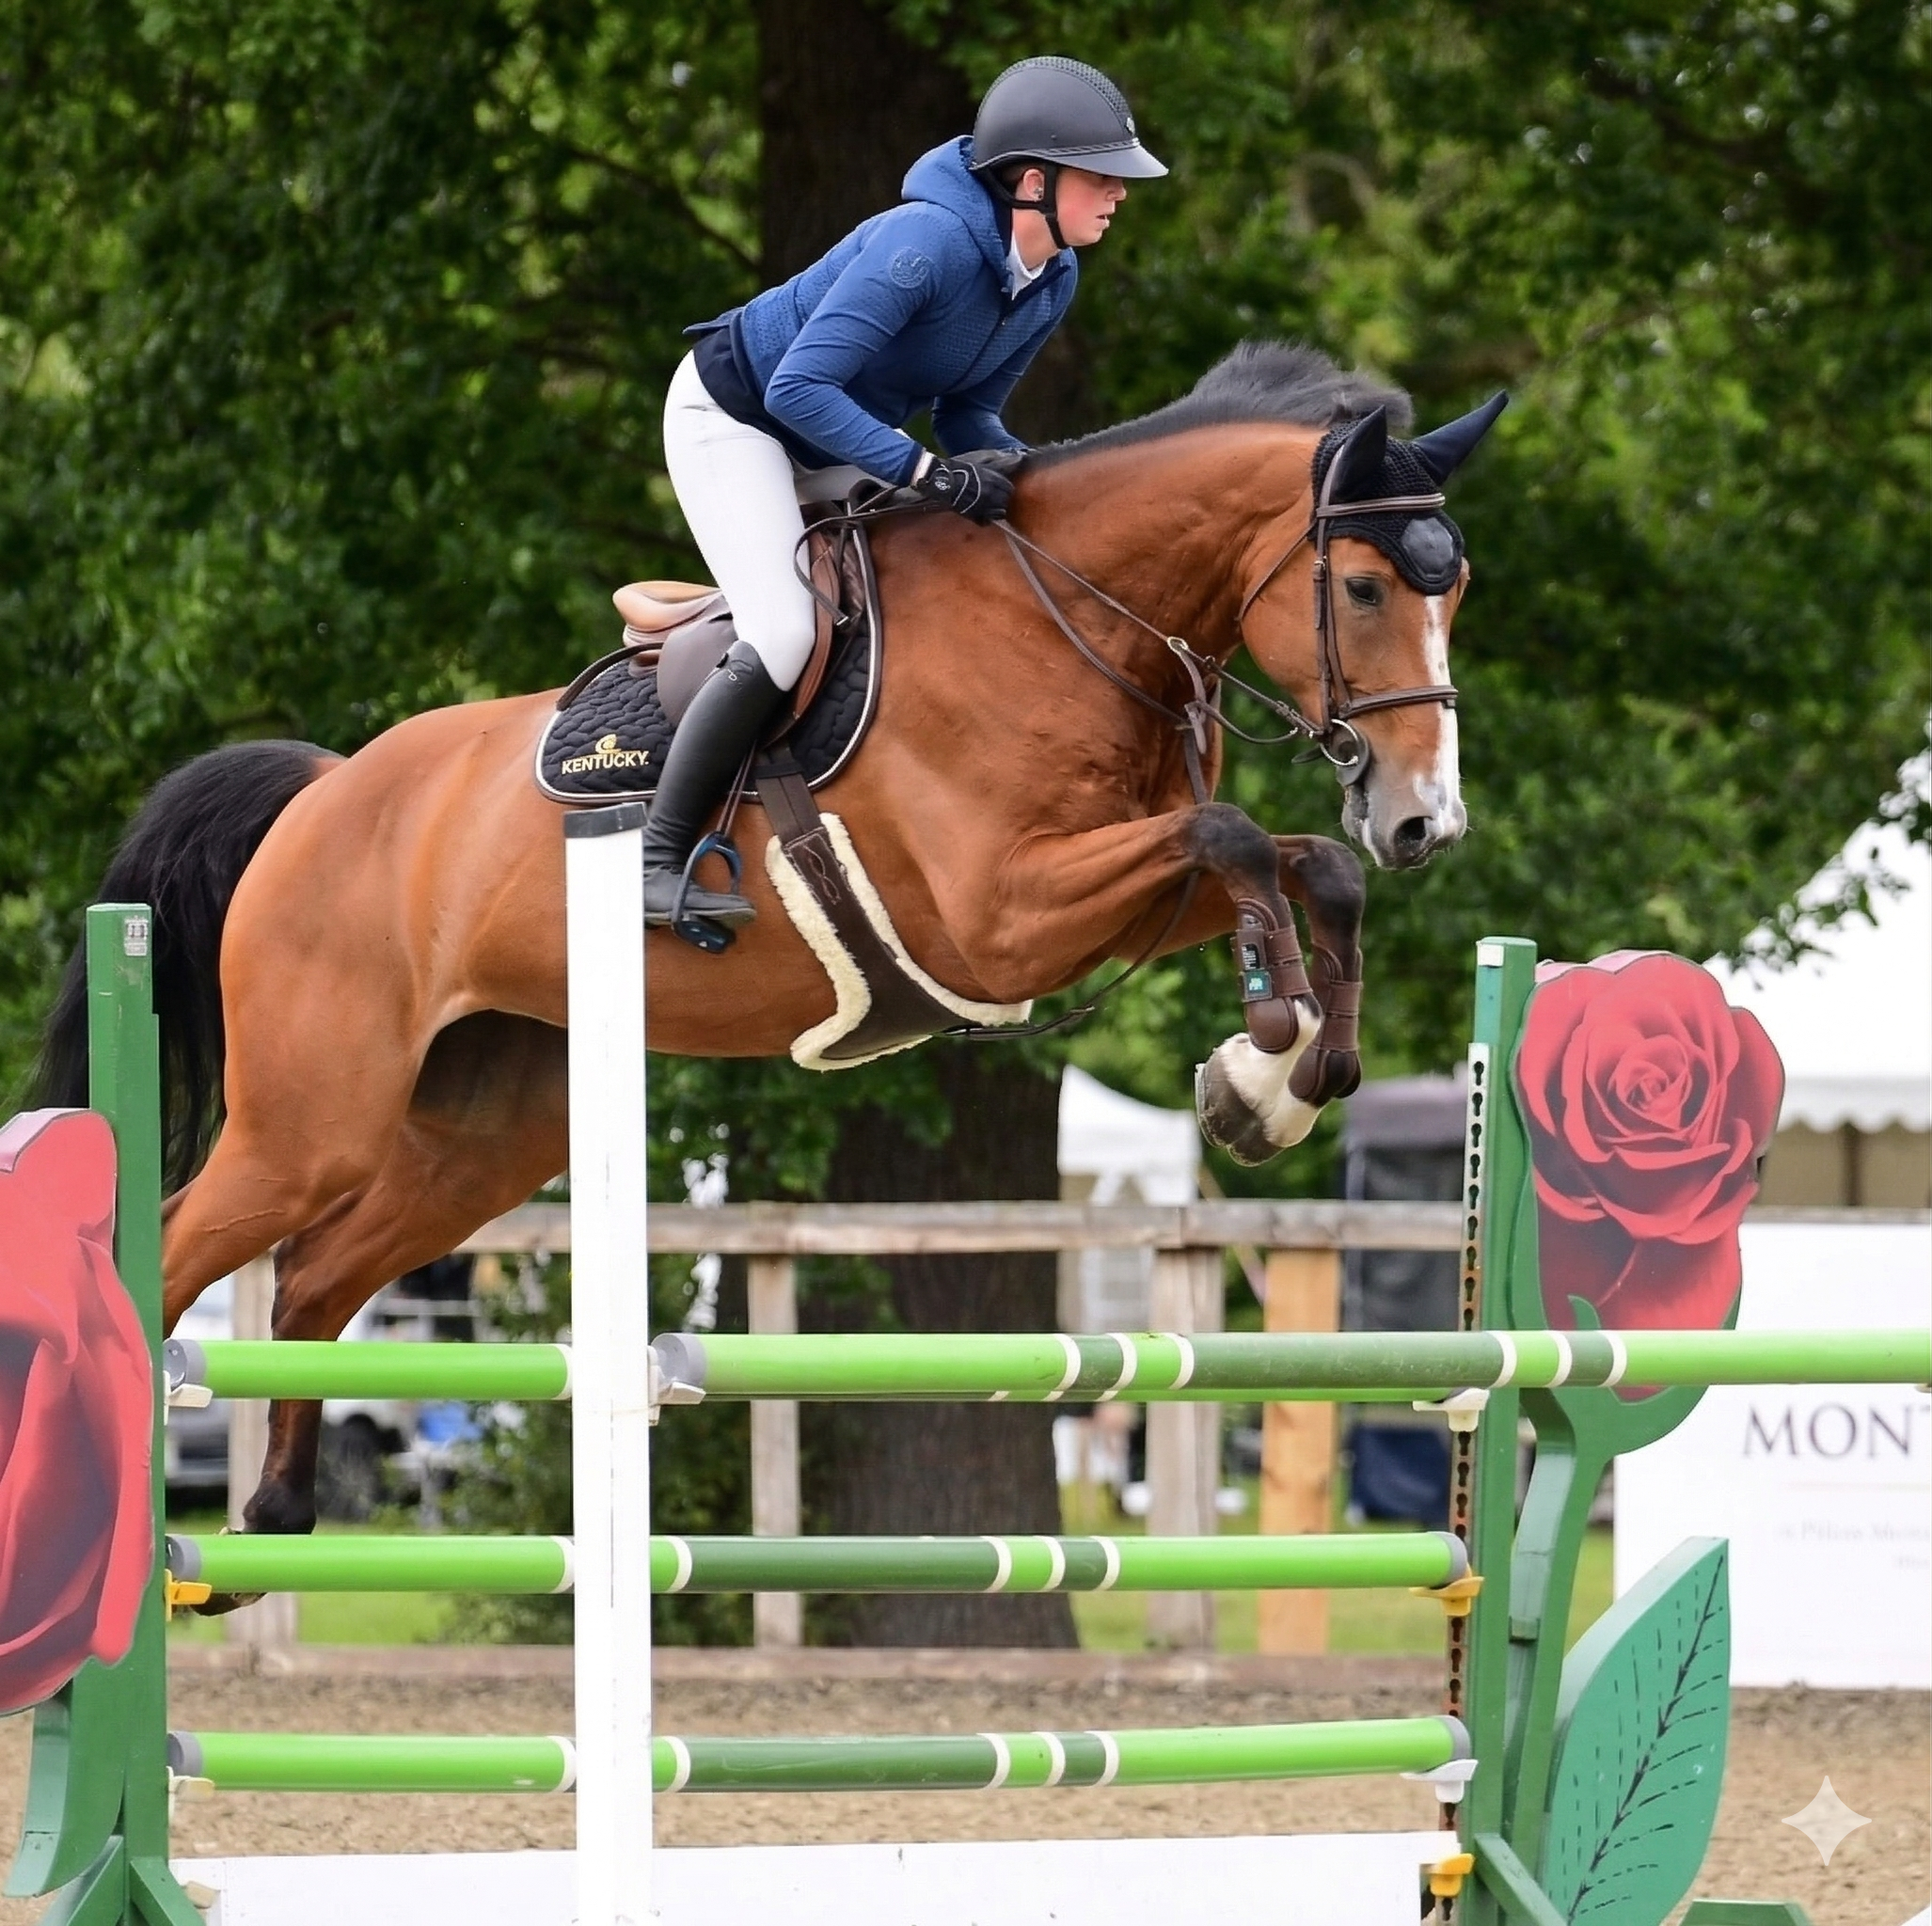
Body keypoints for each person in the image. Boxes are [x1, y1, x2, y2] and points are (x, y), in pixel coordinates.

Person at [645, 55, 1167, 927]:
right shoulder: (922, 243)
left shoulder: (1052, 279)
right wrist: (926, 474)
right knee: (784, 629)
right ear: (1033, 182)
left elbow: (970, 419)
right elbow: (797, 390)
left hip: (835, 436)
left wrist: (1042, 489)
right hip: (735, 421)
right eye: (1101, 177)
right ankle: (655, 860)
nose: (1119, 195)